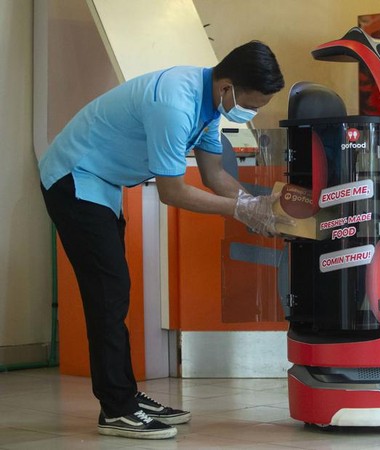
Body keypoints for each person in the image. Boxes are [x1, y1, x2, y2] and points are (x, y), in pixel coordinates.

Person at [38, 41, 290, 440]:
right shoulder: (174, 102)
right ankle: (116, 408)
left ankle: (126, 397)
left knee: (113, 292)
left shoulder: (210, 106)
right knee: (108, 292)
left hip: (103, 184)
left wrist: (256, 204)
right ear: (227, 86)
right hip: (74, 178)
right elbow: (172, 191)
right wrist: (240, 211)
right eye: (252, 104)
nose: (252, 113)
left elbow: (213, 176)